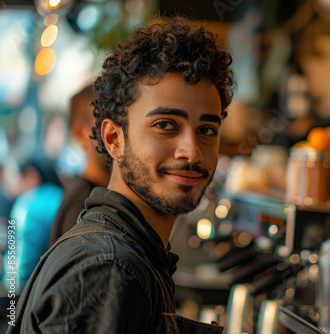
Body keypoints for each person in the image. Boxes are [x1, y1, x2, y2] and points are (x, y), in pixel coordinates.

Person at [9, 15, 234, 334]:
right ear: (114, 139)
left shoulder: (127, 252)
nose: (192, 151)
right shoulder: (109, 267)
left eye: (207, 129)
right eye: (166, 125)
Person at [49, 84, 110, 246]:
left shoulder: (96, 197)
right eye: (105, 123)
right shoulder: (83, 209)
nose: (115, 134)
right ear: (81, 133)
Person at [1, 157, 63, 293]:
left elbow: (20, 271)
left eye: (17, 176)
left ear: (31, 176)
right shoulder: (63, 198)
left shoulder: (26, 205)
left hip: (32, 295)